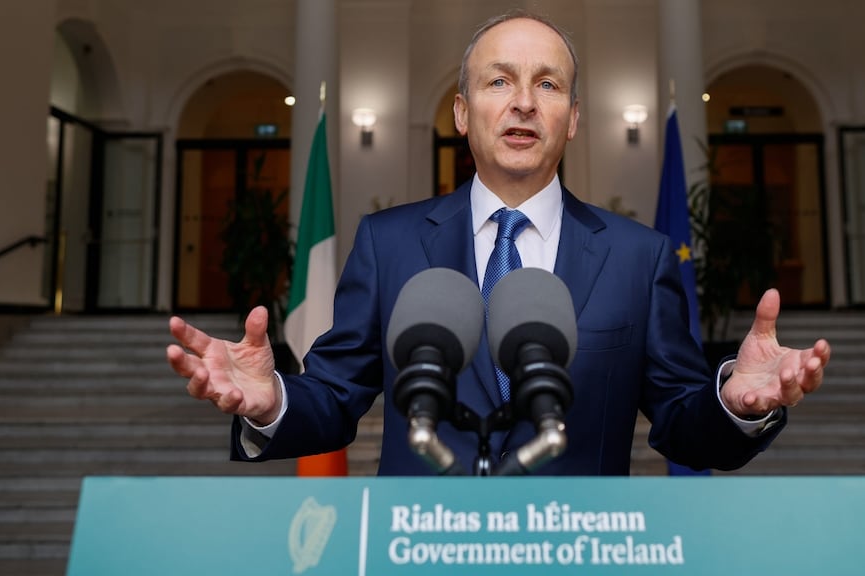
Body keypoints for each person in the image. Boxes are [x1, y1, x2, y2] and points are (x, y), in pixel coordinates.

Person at [166, 10, 830, 476]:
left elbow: (684, 422)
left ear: (572, 120)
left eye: (547, 84)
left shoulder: (638, 257)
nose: (522, 103)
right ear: (461, 113)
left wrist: (735, 403)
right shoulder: (388, 244)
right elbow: (335, 400)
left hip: (581, 554)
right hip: (424, 550)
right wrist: (272, 401)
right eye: (498, 81)